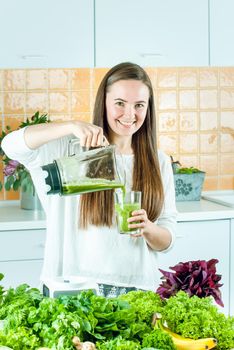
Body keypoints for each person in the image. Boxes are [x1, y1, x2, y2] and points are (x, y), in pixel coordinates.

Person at [2, 62, 177, 296]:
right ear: (103, 102)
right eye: (119, 103)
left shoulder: (158, 161)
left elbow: (166, 240)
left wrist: (148, 228)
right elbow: (11, 146)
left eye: (139, 105)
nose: (129, 114)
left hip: (137, 291)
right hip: (73, 288)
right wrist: (70, 126)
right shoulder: (71, 150)